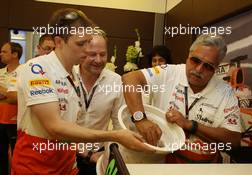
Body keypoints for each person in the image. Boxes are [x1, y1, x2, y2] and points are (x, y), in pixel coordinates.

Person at [11, 8, 152, 175]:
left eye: (87, 42)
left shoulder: (73, 75)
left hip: (66, 164)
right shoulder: (38, 69)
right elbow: (54, 126)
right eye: (80, 44)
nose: (86, 50)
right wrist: (115, 135)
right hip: (35, 166)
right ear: (59, 42)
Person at [122, 34, 241, 163]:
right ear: (188, 56)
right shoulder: (169, 71)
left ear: (216, 68)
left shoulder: (225, 92)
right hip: (161, 160)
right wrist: (140, 119)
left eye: (208, 66)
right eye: (195, 60)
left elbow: (233, 141)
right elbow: (130, 78)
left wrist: (190, 125)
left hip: (202, 166)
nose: (199, 69)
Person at [73, 30, 124, 175]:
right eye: (92, 54)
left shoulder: (116, 81)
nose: (99, 60)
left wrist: (111, 154)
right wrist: (84, 153)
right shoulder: (66, 77)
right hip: (65, 154)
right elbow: (56, 124)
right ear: (81, 54)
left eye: (103, 54)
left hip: (98, 157)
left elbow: (119, 124)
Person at [0, 42, 22, 175]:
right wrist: (9, 94)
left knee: (16, 156)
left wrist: (5, 93)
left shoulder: (24, 71)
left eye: (4, 51)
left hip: (16, 122)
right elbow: (11, 95)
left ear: (15, 54)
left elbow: (19, 97)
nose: (0, 54)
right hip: (0, 120)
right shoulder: (0, 72)